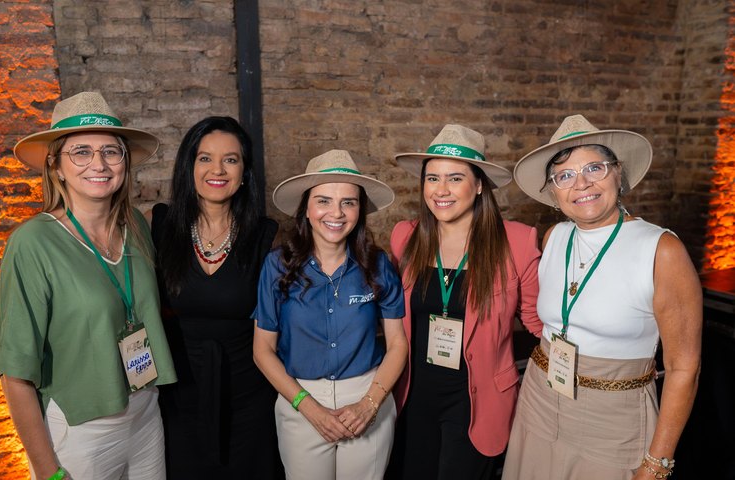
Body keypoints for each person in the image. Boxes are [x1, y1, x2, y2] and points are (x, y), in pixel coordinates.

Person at [0, 91, 177, 480]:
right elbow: (15, 372)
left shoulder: (136, 226)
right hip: (82, 431)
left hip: (146, 415)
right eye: (81, 152)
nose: (99, 164)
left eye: (111, 151)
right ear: (55, 166)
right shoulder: (33, 243)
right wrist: (48, 471)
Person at [504, 114, 702, 480]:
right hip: (539, 397)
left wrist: (657, 464)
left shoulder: (661, 250)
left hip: (613, 419)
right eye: (565, 175)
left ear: (618, 174)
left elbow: (684, 368)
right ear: (553, 191)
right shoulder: (555, 237)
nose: (581, 183)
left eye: (594, 168)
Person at [385, 125, 543, 480]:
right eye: (432, 178)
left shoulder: (517, 242)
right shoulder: (405, 237)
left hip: (478, 403)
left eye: (455, 178)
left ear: (480, 184)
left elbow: (537, 323)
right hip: (413, 396)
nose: (441, 190)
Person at [252, 149, 408, 480]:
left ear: (359, 210)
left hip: (368, 395)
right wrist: (309, 407)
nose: (336, 212)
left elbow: (397, 344)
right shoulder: (277, 266)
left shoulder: (379, 265)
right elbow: (262, 350)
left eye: (348, 202)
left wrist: (369, 404)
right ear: (306, 209)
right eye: (323, 201)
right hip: (300, 399)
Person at [147, 116, 282, 478]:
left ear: (244, 172)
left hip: (250, 399)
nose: (217, 170)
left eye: (230, 159)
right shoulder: (159, 226)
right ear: (188, 167)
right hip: (178, 397)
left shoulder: (267, 236)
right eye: (205, 158)